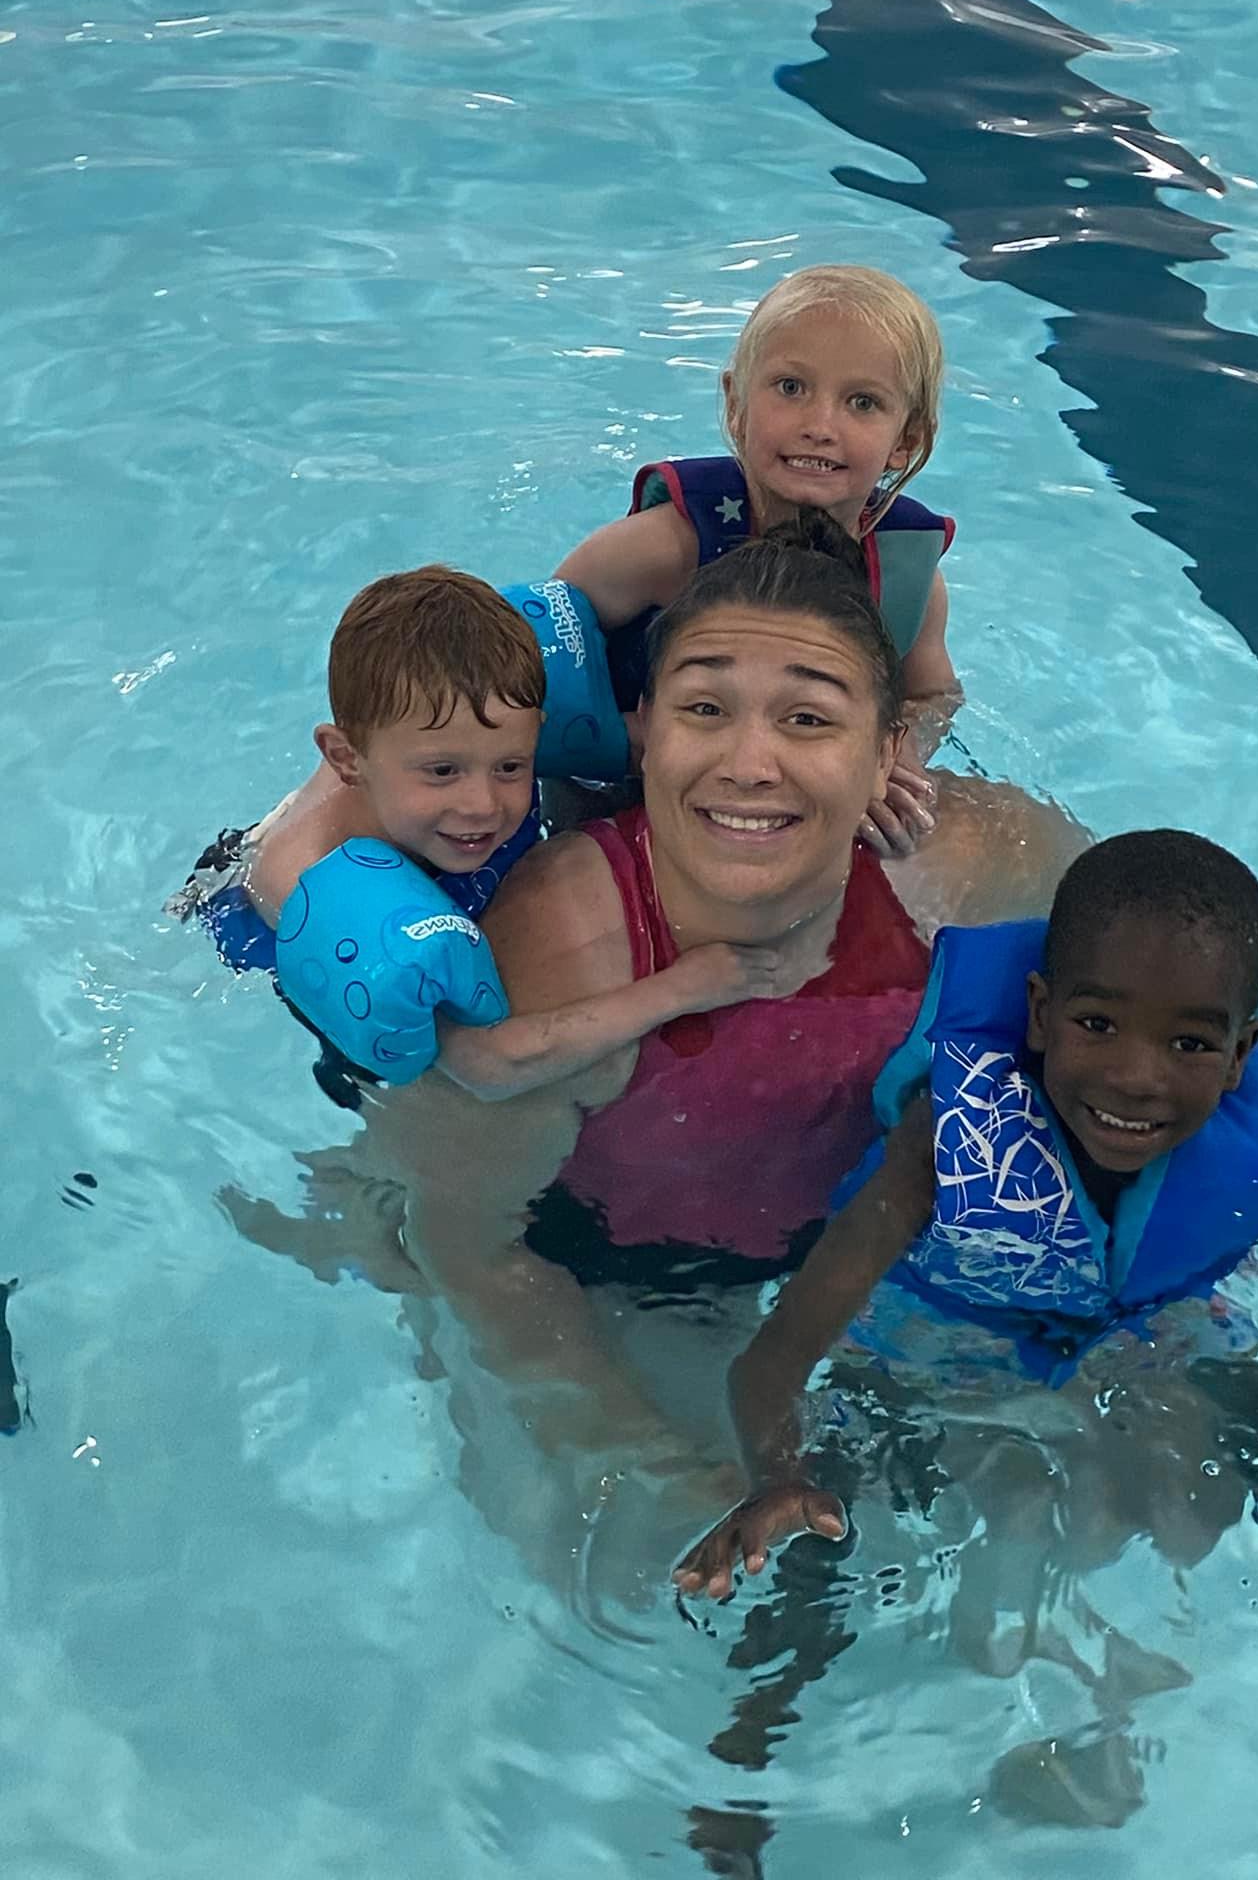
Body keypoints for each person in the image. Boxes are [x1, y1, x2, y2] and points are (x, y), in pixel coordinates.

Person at [349, 513, 1083, 1468]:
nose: (749, 764)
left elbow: (1166, 1002)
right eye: (704, 709)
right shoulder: (562, 962)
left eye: (810, 718)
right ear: (645, 726)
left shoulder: (971, 871)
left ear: (887, 748)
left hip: (872, 1249)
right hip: (622, 1280)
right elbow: (472, 1251)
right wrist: (667, 1475)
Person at [674, 830, 1258, 1637]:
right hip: (937, 1333)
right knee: (830, 1515)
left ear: (1242, 1055)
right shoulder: (943, 1142)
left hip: (1142, 1331)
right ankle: (754, 1745)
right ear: (1041, 1014)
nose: (1136, 1077)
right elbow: (778, 1357)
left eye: (1191, 1042)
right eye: (1097, 1025)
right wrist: (777, 1473)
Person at [172, 564, 780, 1106]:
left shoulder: (447, 740)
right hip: (303, 935)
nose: (483, 805)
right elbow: (486, 1067)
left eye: (511, 766)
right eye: (444, 772)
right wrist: (684, 988)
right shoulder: (314, 885)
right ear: (347, 758)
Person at [553, 264, 959, 858]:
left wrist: (890, 760)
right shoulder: (663, 548)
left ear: (907, 439)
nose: (820, 426)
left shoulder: (904, 578)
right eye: (791, 388)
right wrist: (630, 741)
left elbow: (932, 697)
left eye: (863, 402)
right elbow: (534, 650)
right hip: (618, 788)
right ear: (737, 405)